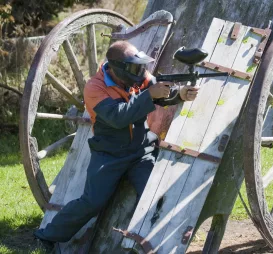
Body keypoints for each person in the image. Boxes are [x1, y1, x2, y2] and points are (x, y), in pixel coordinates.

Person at [33, 40, 199, 250]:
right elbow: (118, 117)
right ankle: (46, 235)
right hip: (108, 155)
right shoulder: (95, 88)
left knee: (153, 193)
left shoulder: (139, 75)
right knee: (91, 201)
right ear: (115, 68)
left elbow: (161, 94)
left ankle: (157, 244)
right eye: (133, 67)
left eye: (140, 67)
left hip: (141, 151)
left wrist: (180, 94)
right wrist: (149, 94)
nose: (139, 72)